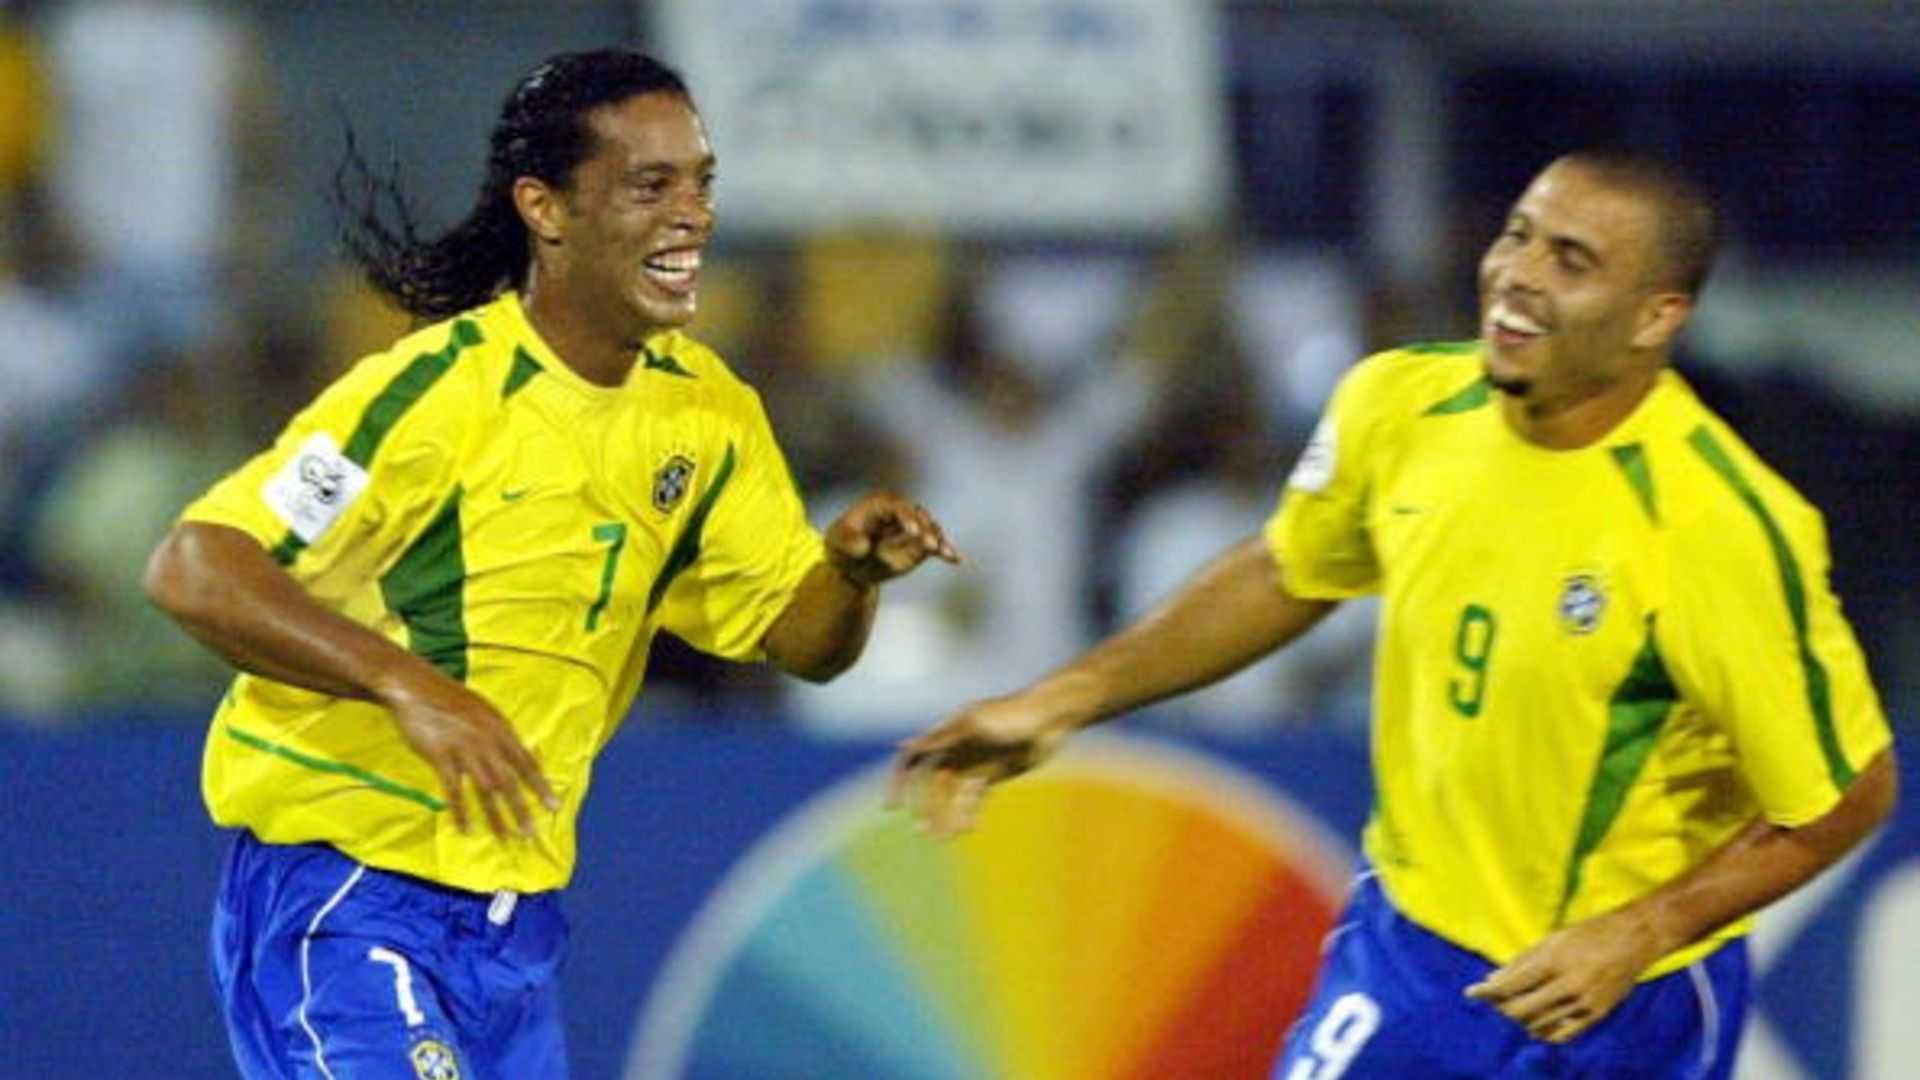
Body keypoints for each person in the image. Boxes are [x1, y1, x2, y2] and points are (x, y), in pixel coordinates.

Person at [891, 150, 1897, 1078]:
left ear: (1654, 317)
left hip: (1621, 1007)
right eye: (1518, 236)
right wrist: (1062, 701)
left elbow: (1846, 792)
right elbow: (1290, 571)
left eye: (1572, 261)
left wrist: (1641, 932)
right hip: (1411, 959)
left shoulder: (1720, 527)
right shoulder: (1400, 406)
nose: (1518, 275)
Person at [144, 49, 956, 1079]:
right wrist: (409, 685)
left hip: (510, 934)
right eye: (650, 186)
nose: (692, 216)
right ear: (547, 208)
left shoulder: (707, 415)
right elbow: (195, 567)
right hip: (347, 897)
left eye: (701, 183)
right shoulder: (439, 396)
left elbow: (803, 645)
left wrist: (849, 575)